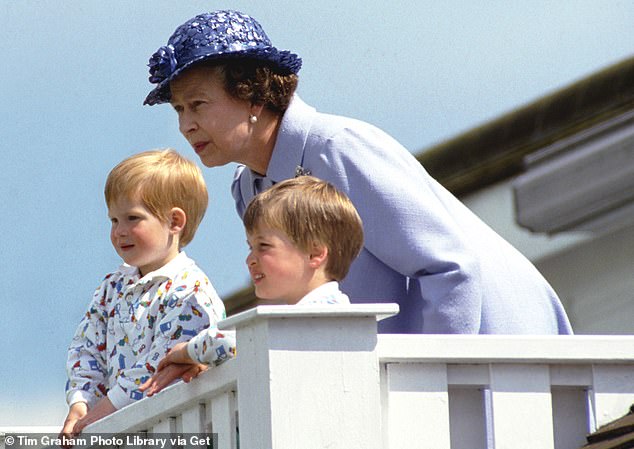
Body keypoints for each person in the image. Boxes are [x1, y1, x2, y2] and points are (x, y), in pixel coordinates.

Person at [143, 9, 573, 335]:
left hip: (503, 356)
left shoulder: (338, 147)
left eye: (198, 104)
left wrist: (427, 390)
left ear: (252, 94)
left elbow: (450, 267)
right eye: (179, 109)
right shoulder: (248, 186)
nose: (185, 125)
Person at [139, 176, 364, 396]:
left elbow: (230, 340)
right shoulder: (308, 315)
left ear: (315, 253)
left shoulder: (321, 312)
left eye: (263, 246)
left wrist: (186, 352)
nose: (250, 260)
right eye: (250, 248)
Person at [60, 150, 228, 438]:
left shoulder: (191, 291)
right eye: (113, 220)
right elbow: (86, 346)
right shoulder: (112, 286)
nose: (119, 231)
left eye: (132, 218)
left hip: (176, 431)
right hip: (123, 431)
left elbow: (162, 360)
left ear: (175, 222)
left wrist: (106, 410)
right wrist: (82, 401)